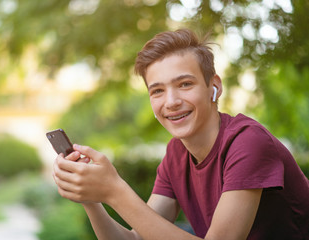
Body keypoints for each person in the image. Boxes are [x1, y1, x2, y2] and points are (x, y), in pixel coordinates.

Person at [52, 29, 309, 240]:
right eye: (158, 91)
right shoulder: (176, 153)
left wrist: (115, 191)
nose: (171, 101)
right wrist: (91, 198)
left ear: (214, 87)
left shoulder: (247, 142)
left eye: (185, 84)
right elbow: (135, 239)